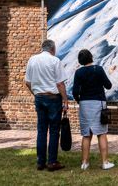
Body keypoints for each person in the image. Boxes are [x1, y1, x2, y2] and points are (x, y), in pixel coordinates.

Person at [25, 39, 69, 171]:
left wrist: (36, 94)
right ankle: (52, 162)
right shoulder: (55, 61)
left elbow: (27, 82)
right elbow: (60, 84)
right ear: (52, 49)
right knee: (54, 130)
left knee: (42, 130)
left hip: (39, 97)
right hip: (53, 98)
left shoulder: (32, 60)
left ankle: (40, 162)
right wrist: (65, 100)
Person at [72, 49, 114, 170]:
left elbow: (75, 92)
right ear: (91, 57)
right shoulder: (98, 69)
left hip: (84, 104)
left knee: (86, 134)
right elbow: (108, 85)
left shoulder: (78, 73)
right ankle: (105, 163)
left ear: (80, 61)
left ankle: (84, 163)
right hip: (98, 103)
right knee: (101, 133)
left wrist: (79, 101)